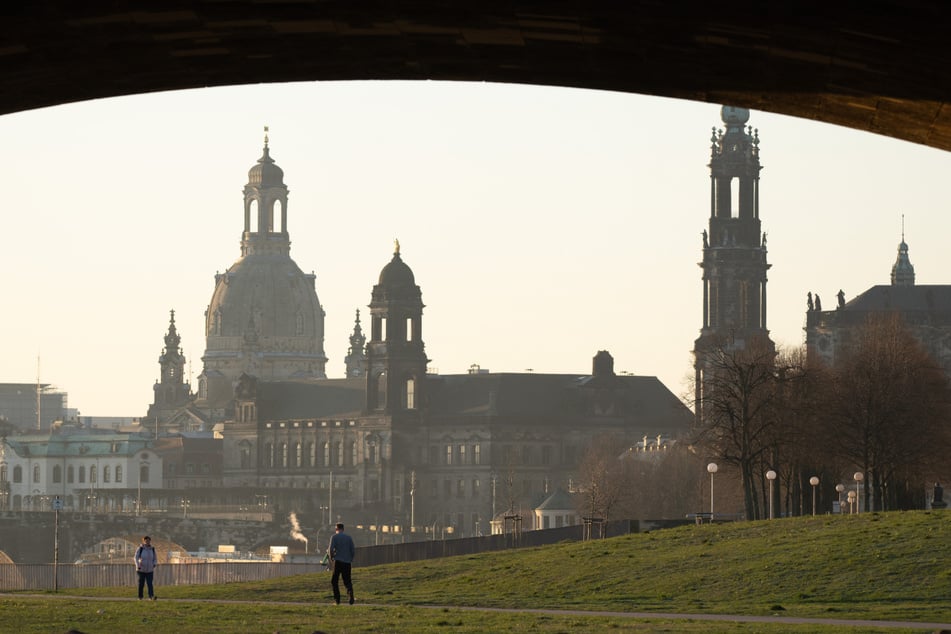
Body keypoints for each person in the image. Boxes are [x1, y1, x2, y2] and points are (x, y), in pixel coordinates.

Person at [327, 522, 355, 605]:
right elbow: (353, 550)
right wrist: (350, 559)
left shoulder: (334, 537)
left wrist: (331, 557)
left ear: (336, 529)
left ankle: (337, 600)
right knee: (347, 581)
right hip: (347, 562)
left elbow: (330, 549)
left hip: (338, 561)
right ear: (343, 529)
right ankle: (350, 596)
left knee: (334, 581)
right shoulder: (349, 538)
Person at [134, 535, 158, 600]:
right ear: (144, 541)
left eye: (148, 541)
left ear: (150, 541)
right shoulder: (140, 548)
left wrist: (154, 564)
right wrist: (138, 565)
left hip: (150, 570)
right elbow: (136, 557)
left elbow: (155, 558)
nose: (147, 542)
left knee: (150, 583)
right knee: (141, 584)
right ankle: (140, 596)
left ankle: (151, 596)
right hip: (141, 569)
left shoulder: (152, 549)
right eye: (146, 541)